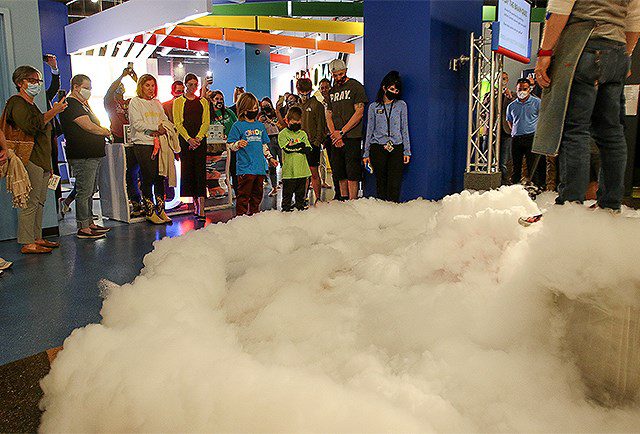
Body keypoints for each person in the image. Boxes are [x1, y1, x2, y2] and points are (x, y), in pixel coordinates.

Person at [522, 0, 640, 226]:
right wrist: (624, 56)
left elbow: (560, 9)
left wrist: (545, 53)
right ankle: (610, 206)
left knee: (575, 130)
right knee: (612, 133)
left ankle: (569, 207)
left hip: (583, 46)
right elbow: (635, 18)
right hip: (617, 50)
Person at [3, 66, 67, 253]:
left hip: (41, 158)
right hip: (29, 158)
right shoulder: (17, 103)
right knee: (30, 202)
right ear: (20, 83)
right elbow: (33, 126)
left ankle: (36, 237)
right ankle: (27, 242)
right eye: (32, 80)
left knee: (39, 201)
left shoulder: (30, 104)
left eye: (38, 80)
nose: (37, 84)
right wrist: (53, 111)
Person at [59, 74, 112, 239]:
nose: (89, 91)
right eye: (86, 87)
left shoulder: (83, 104)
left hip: (92, 154)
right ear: (76, 87)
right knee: (84, 191)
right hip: (83, 155)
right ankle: (83, 226)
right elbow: (89, 126)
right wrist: (105, 131)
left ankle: (89, 222)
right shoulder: (72, 104)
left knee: (89, 190)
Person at [128, 74, 171, 225]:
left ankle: (161, 209)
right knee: (148, 176)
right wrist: (155, 128)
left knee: (160, 176)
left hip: (159, 143)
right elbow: (137, 124)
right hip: (143, 144)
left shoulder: (157, 103)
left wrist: (162, 128)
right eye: (147, 85)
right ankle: (149, 211)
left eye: (153, 85)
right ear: (141, 86)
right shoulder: (135, 102)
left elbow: (164, 119)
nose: (150, 88)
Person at [227, 92, 278, 216]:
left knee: (257, 196)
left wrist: (270, 158)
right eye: (253, 108)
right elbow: (230, 144)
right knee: (243, 196)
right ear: (244, 110)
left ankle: (255, 217)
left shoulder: (260, 125)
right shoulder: (237, 125)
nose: (255, 110)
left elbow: (263, 145)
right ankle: (241, 219)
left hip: (259, 168)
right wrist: (238, 144)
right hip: (245, 168)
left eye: (256, 108)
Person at [363, 71, 411, 203]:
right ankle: (382, 214)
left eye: (396, 90)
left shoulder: (401, 105)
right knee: (381, 183)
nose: (394, 92)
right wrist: (366, 153)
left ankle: (393, 212)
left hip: (396, 147)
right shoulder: (373, 107)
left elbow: (404, 128)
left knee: (395, 184)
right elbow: (369, 130)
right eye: (391, 89)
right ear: (384, 88)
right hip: (378, 148)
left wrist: (407, 150)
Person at [325, 58, 368, 200]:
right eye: (335, 75)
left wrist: (342, 132)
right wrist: (334, 135)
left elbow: (359, 113)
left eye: (341, 74)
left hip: (352, 137)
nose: (338, 78)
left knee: (352, 174)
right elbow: (328, 115)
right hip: (336, 138)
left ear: (346, 71)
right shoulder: (332, 91)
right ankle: (343, 201)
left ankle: (352, 202)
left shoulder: (356, 86)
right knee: (339, 173)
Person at [104, 67, 142, 216]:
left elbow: (144, 94)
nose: (120, 89)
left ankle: (137, 202)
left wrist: (135, 79)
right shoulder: (110, 103)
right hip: (119, 140)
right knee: (122, 173)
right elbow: (109, 92)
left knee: (133, 172)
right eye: (118, 87)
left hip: (133, 139)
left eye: (122, 87)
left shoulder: (131, 102)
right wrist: (121, 75)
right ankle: (124, 203)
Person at [173, 73, 210, 221]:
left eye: (195, 84)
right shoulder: (178, 102)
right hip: (186, 141)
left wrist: (198, 138)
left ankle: (201, 206)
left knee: (200, 172)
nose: (193, 87)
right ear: (185, 85)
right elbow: (178, 123)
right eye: (190, 84)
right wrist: (189, 139)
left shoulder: (203, 102)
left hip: (200, 141)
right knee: (188, 172)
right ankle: (194, 203)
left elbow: (205, 122)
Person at [506, 78, 544, 188]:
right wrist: (514, 130)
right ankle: (515, 186)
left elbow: (542, 118)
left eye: (524, 89)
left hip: (531, 137)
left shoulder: (537, 103)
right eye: (519, 89)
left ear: (529, 89)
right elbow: (509, 120)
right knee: (515, 165)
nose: (522, 91)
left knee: (532, 165)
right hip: (516, 138)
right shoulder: (512, 106)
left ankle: (535, 186)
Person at [296, 78, 327, 205]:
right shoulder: (296, 106)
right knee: (301, 175)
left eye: (306, 92)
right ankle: (301, 199)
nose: (304, 95)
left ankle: (318, 198)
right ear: (298, 90)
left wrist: (317, 142)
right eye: (301, 92)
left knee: (314, 172)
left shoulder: (317, 105)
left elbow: (321, 125)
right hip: (298, 145)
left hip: (312, 144)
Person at [278, 106, 312, 211]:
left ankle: (300, 212)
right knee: (287, 197)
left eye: (298, 122)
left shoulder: (302, 133)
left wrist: (296, 146)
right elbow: (287, 148)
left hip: (302, 171)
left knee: (300, 197)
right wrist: (300, 146)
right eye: (293, 123)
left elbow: (308, 149)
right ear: (287, 121)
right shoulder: (283, 134)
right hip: (289, 172)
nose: (296, 125)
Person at [207, 90, 237, 198]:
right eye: (216, 99)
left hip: (231, 145)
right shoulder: (208, 114)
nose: (219, 101)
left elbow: (236, 124)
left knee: (232, 169)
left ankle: (233, 190)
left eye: (221, 99)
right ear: (211, 100)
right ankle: (215, 191)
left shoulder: (229, 112)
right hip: (215, 148)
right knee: (216, 170)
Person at [259, 97, 282, 196]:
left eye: (267, 105)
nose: (265, 107)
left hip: (279, 138)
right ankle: (274, 187)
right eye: (263, 106)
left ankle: (286, 183)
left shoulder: (276, 113)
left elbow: (280, 124)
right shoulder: (260, 116)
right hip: (268, 139)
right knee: (272, 164)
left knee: (284, 162)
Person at [500, 72, 515, 185]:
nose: (503, 80)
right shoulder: (490, 94)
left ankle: (505, 182)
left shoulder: (513, 95)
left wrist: (509, 97)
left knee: (504, 160)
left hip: (506, 131)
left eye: (505, 78)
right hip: (491, 132)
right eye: (501, 78)